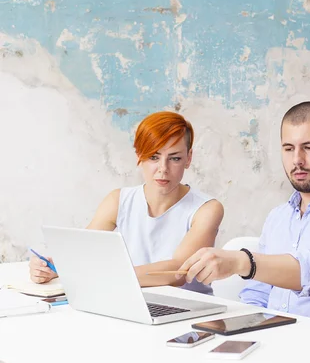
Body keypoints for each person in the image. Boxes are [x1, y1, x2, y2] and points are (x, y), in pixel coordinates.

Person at [177, 102, 310, 333]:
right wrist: (240, 335)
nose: (297, 160)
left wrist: (243, 262)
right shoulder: (278, 217)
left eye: (309, 147)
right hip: (280, 349)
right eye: (288, 148)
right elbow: (258, 294)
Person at [29, 111, 224, 292]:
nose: (163, 169)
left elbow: (178, 272)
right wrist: (53, 266)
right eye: (153, 157)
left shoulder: (206, 209)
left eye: (174, 158)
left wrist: (98, 274)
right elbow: (82, 252)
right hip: (134, 304)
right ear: (139, 155)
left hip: (191, 314)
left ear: (189, 159)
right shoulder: (118, 200)